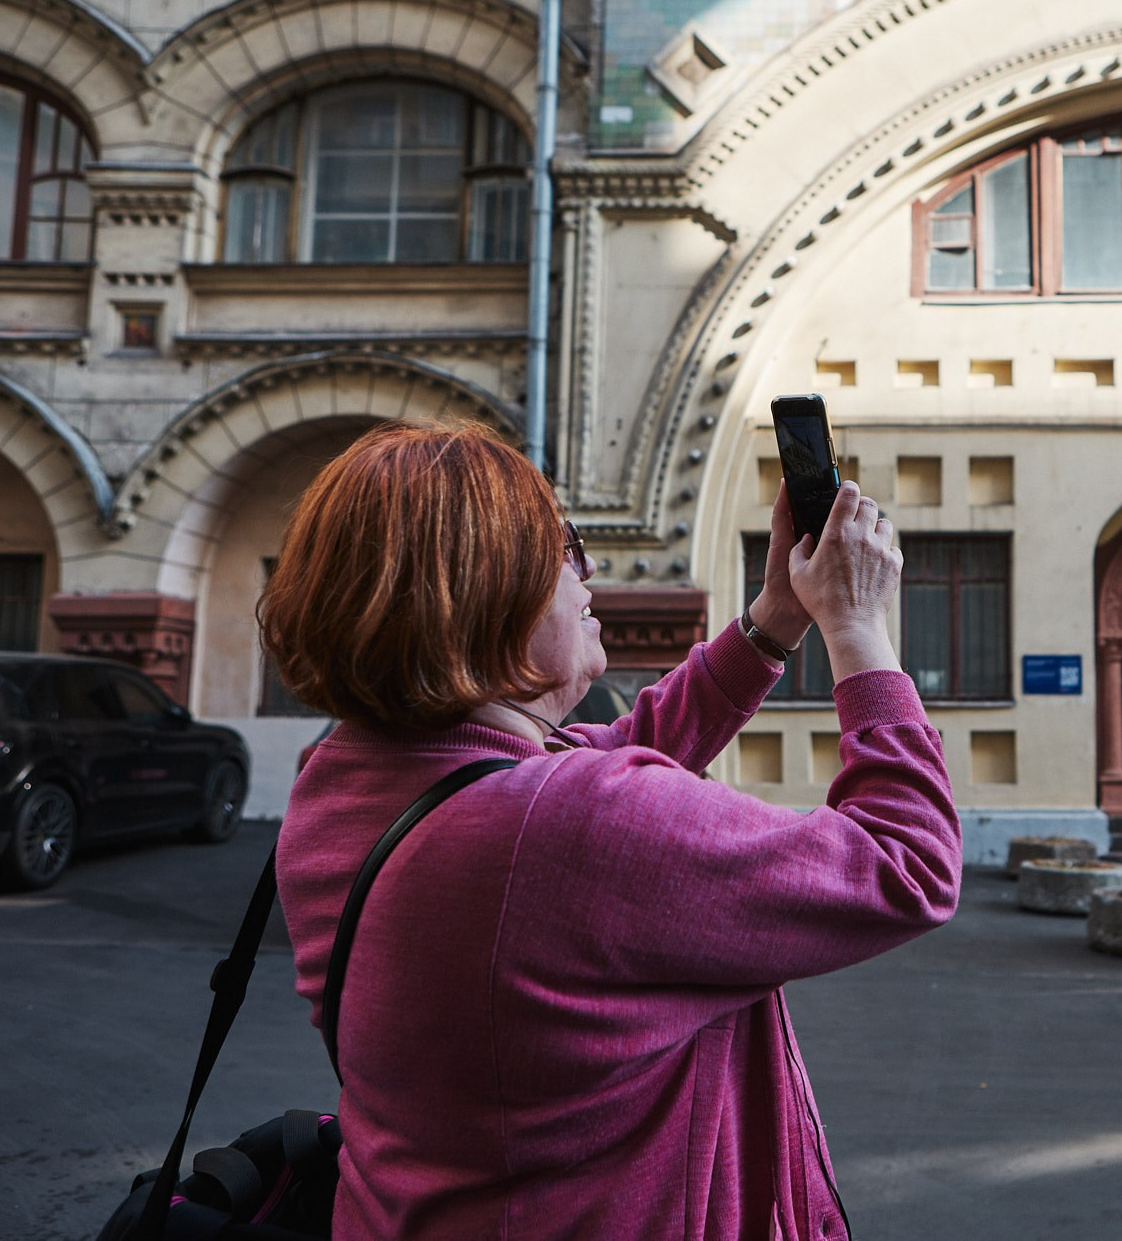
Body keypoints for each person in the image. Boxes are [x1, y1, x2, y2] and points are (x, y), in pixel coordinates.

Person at [260, 420, 960, 1240]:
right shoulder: (561, 826)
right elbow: (906, 862)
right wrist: (860, 630)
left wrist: (775, 618)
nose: (586, 569)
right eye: (563, 545)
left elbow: (597, 765)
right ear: (484, 590)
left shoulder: (341, 780)